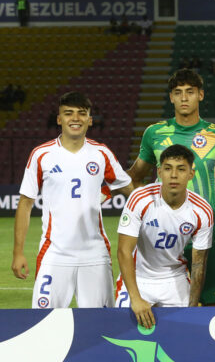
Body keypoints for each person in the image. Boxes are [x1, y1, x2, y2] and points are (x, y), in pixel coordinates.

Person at [127, 68, 215, 306]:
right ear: (171, 97)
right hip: (163, 235)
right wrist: (140, 210)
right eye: (178, 92)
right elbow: (134, 177)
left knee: (211, 302)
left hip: (207, 232)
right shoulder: (154, 133)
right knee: (161, 304)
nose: (183, 98)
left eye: (189, 92)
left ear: (200, 95)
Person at [12, 91, 133, 308]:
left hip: (95, 254)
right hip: (54, 254)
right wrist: (18, 252)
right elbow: (25, 203)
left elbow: (129, 189)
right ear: (59, 119)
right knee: (44, 324)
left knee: (101, 327)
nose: (75, 118)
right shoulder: (41, 154)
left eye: (81, 113)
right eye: (68, 113)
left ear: (90, 119)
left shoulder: (101, 153)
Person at [116, 145, 213, 328]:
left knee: (184, 332)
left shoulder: (202, 210)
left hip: (174, 278)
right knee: (121, 329)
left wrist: (192, 306)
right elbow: (123, 251)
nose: (174, 175)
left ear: (191, 174)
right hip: (139, 277)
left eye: (181, 169)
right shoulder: (140, 198)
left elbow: (199, 262)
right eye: (168, 169)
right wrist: (135, 299)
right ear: (159, 172)